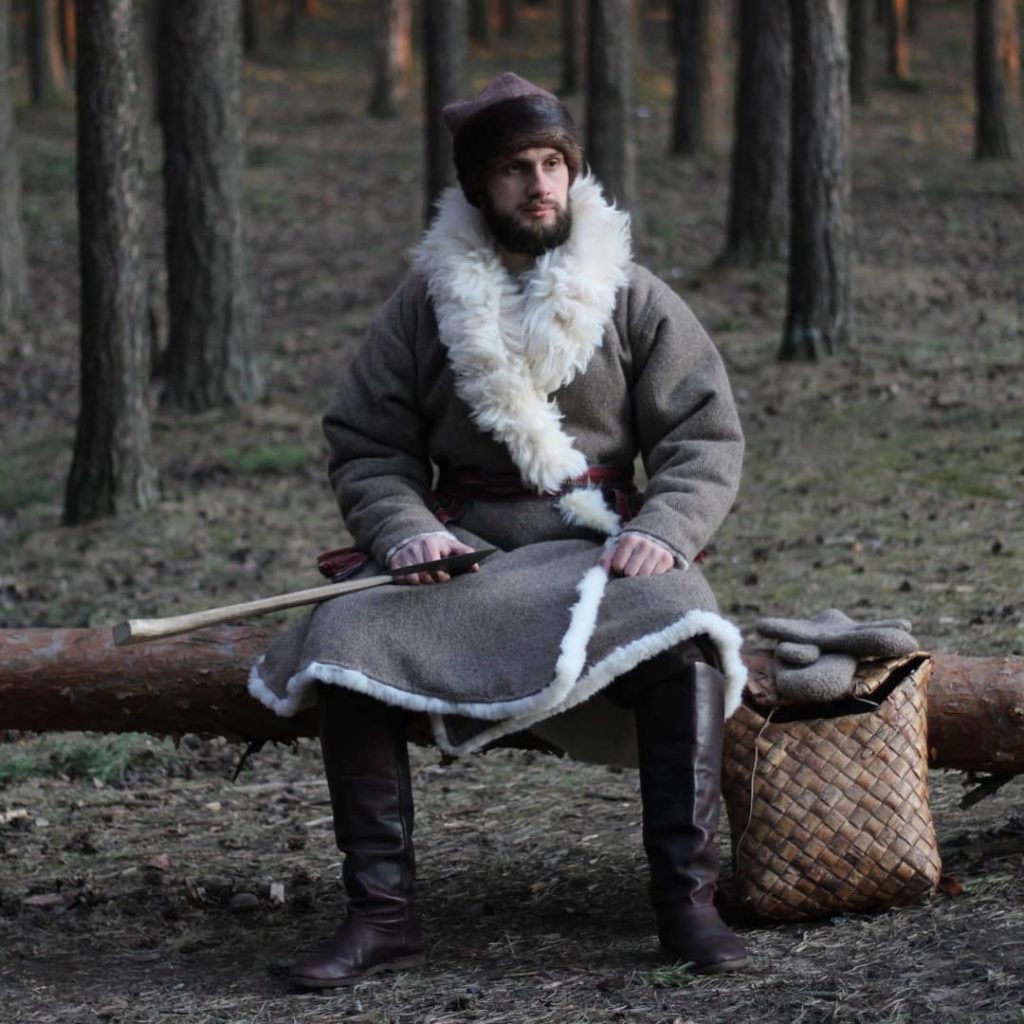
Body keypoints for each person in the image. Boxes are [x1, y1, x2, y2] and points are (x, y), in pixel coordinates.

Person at [249, 72, 749, 988]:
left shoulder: (633, 296)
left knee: (687, 632)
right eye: (516, 169)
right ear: (481, 186)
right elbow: (366, 445)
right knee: (344, 641)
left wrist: (668, 530)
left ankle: (687, 902)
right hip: (464, 554)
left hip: (605, 542)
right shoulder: (421, 304)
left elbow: (703, 435)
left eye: (553, 163)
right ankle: (382, 916)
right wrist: (404, 533)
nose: (539, 184)